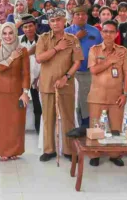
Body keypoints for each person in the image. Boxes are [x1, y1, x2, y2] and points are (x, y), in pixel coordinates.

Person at [36, 8, 83, 162]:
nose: (55, 23)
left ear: (65, 21)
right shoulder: (43, 38)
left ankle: (69, 150)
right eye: (52, 21)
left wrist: (66, 77)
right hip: (47, 84)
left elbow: (77, 62)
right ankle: (49, 150)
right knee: (48, 118)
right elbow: (39, 58)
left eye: (58, 20)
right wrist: (57, 48)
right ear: (49, 23)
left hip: (66, 85)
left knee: (67, 118)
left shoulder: (73, 39)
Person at [87, 20, 127, 167]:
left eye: (111, 32)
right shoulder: (94, 50)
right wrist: (109, 61)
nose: (108, 34)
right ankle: (95, 154)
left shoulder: (123, 51)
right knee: (95, 127)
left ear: (116, 34)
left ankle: (114, 154)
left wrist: (125, 94)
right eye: (105, 31)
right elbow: (93, 70)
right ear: (101, 33)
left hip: (116, 97)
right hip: (97, 96)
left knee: (116, 128)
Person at [0, 22, 30, 161]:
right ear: (1, 35)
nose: (8, 36)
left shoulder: (23, 51)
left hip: (17, 91)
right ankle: (3, 150)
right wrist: (11, 57)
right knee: (1, 121)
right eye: (5, 33)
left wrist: (25, 92)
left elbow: (26, 73)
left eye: (11, 33)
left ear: (15, 33)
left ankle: (14, 150)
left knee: (16, 122)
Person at [65, 6, 103, 127]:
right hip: (71, 73)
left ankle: (86, 127)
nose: (81, 17)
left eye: (83, 14)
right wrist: (77, 37)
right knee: (74, 102)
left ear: (87, 16)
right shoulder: (67, 32)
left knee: (87, 102)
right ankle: (74, 127)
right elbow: (63, 50)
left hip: (89, 73)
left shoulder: (95, 31)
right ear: (73, 17)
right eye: (78, 15)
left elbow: (101, 51)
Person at [19, 15, 42, 133]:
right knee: (20, 105)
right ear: (22, 28)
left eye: (31, 26)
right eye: (25, 27)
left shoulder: (43, 40)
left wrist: (40, 78)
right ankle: (19, 130)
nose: (28, 29)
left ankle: (39, 131)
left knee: (38, 107)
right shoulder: (18, 41)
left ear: (35, 26)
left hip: (38, 80)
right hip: (23, 79)